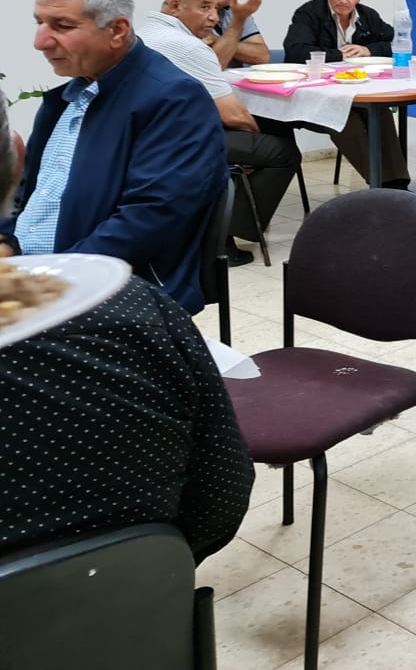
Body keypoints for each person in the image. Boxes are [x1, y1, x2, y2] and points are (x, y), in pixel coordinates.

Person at [0, 94, 254, 564]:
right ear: (17, 167)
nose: (41, 41)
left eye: (59, 23)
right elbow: (221, 495)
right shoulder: (137, 316)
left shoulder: (167, 99)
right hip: (132, 605)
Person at [2, 0, 227, 314]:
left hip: (111, 292)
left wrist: (44, 282)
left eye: (61, 26)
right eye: (40, 23)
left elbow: (149, 221)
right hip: (40, 275)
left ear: (117, 31)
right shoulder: (65, 100)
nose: (40, 41)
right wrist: (7, 244)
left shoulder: (174, 100)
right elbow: (27, 194)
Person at [137, 0, 301, 266]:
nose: (214, 17)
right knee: (283, 151)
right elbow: (234, 115)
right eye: (205, 8)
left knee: (273, 131)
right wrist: (254, 131)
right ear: (175, 7)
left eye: (215, 8)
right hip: (175, 142)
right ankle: (225, 233)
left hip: (148, 136)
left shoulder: (145, 32)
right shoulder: (187, 46)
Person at [282, 0, 408, 188]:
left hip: (357, 92)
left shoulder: (368, 15)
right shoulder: (308, 13)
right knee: (344, 119)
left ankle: (399, 185)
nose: (343, 0)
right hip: (318, 97)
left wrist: (369, 50)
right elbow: (295, 51)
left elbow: (397, 42)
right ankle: (382, 186)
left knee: (381, 113)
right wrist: (339, 55)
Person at [190, 0, 268, 69]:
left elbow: (262, 56)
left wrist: (217, 40)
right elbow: (212, 66)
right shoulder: (186, 13)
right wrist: (233, 39)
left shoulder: (235, 11)